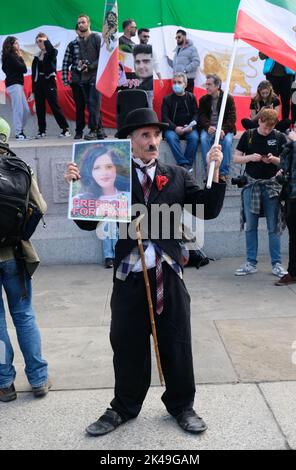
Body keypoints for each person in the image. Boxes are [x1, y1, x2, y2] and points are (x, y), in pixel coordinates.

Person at [65, 107, 226, 437]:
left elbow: (207, 209)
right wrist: (77, 186)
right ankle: (123, 406)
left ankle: (182, 405)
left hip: (168, 274)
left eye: (156, 135)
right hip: (129, 277)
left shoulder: (177, 174)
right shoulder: (113, 175)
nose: (153, 141)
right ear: (130, 140)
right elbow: (86, 222)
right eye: (145, 135)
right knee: (126, 343)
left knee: (176, 341)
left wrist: (216, 170)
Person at [0, 117, 50, 403]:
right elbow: (40, 206)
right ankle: (39, 379)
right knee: (25, 317)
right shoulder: (22, 168)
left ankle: (5, 383)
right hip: (16, 257)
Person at [233, 108, 287, 277]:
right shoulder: (248, 135)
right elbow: (235, 158)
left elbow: (287, 161)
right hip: (252, 185)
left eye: (270, 129)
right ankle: (251, 262)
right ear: (260, 121)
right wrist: (250, 157)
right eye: (265, 127)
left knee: (273, 226)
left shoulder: (279, 137)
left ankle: (277, 264)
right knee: (251, 226)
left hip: (272, 186)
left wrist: (274, 160)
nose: (267, 131)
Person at [71, 144, 130, 223]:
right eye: (97, 168)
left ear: (116, 168)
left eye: (109, 167)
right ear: (90, 172)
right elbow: (84, 226)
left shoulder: (129, 197)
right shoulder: (78, 200)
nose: (104, 173)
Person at [275, 117, 296, 286]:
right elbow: (286, 169)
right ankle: (291, 273)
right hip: (292, 196)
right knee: (294, 237)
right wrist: (281, 176)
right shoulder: (290, 146)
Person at [198, 73, 236, 182]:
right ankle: (208, 169)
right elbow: (201, 116)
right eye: (206, 84)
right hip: (209, 127)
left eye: (209, 84)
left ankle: (223, 173)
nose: (207, 87)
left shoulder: (227, 98)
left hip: (225, 128)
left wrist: (224, 129)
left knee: (227, 141)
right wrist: (207, 126)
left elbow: (232, 117)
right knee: (204, 139)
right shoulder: (203, 99)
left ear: (217, 86)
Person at [32, 32, 70, 139]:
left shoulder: (52, 52)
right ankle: (41, 131)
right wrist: (33, 90)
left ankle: (65, 129)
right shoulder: (37, 56)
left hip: (49, 81)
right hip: (39, 83)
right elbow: (34, 74)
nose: (40, 43)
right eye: (38, 41)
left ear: (47, 41)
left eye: (42, 41)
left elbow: (52, 52)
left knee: (54, 105)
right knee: (40, 107)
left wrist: (46, 41)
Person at [76, 14, 106, 141]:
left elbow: (103, 57)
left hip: (96, 76)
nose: (81, 24)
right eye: (79, 23)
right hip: (85, 77)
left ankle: (93, 130)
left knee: (94, 103)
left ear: (88, 23)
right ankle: (100, 130)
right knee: (91, 104)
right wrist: (81, 65)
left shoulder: (96, 37)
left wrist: (91, 66)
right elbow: (82, 58)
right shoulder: (80, 41)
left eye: (83, 22)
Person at [162, 72, 199, 170]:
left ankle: (187, 165)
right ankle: (184, 164)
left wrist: (191, 126)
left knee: (194, 138)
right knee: (170, 137)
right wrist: (175, 128)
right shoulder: (167, 99)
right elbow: (164, 118)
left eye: (179, 82)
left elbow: (196, 114)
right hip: (173, 129)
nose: (176, 85)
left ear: (185, 85)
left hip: (189, 128)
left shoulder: (191, 97)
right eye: (174, 82)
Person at [1, 36, 30, 140]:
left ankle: (20, 130)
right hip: (14, 85)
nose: (18, 45)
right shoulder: (10, 57)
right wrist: (21, 57)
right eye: (16, 43)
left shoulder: (11, 56)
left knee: (26, 110)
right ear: (11, 45)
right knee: (18, 109)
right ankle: (19, 133)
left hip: (18, 84)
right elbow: (23, 69)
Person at [62, 25, 87, 140]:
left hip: (90, 80)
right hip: (77, 80)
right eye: (79, 29)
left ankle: (97, 129)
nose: (81, 31)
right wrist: (66, 80)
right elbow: (66, 63)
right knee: (79, 107)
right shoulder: (72, 45)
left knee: (94, 106)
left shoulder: (92, 42)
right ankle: (79, 131)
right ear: (77, 31)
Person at [259, 53, 295, 121]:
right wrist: (269, 49)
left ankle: (285, 123)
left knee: (286, 101)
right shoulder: (269, 42)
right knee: (271, 100)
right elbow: (261, 56)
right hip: (271, 75)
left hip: (287, 76)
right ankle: (270, 122)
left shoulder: (288, 42)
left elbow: (294, 54)